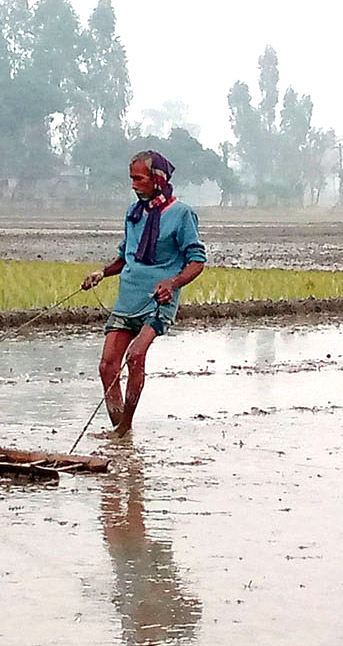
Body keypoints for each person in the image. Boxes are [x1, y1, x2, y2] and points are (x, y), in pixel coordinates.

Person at [81, 151, 206, 435]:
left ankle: (124, 428)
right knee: (106, 366)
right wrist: (101, 273)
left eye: (139, 179)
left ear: (157, 180)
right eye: (132, 179)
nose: (134, 185)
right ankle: (119, 428)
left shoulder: (181, 214)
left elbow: (197, 261)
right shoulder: (134, 213)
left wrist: (172, 283)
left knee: (136, 355)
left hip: (158, 300)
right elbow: (127, 255)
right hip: (128, 297)